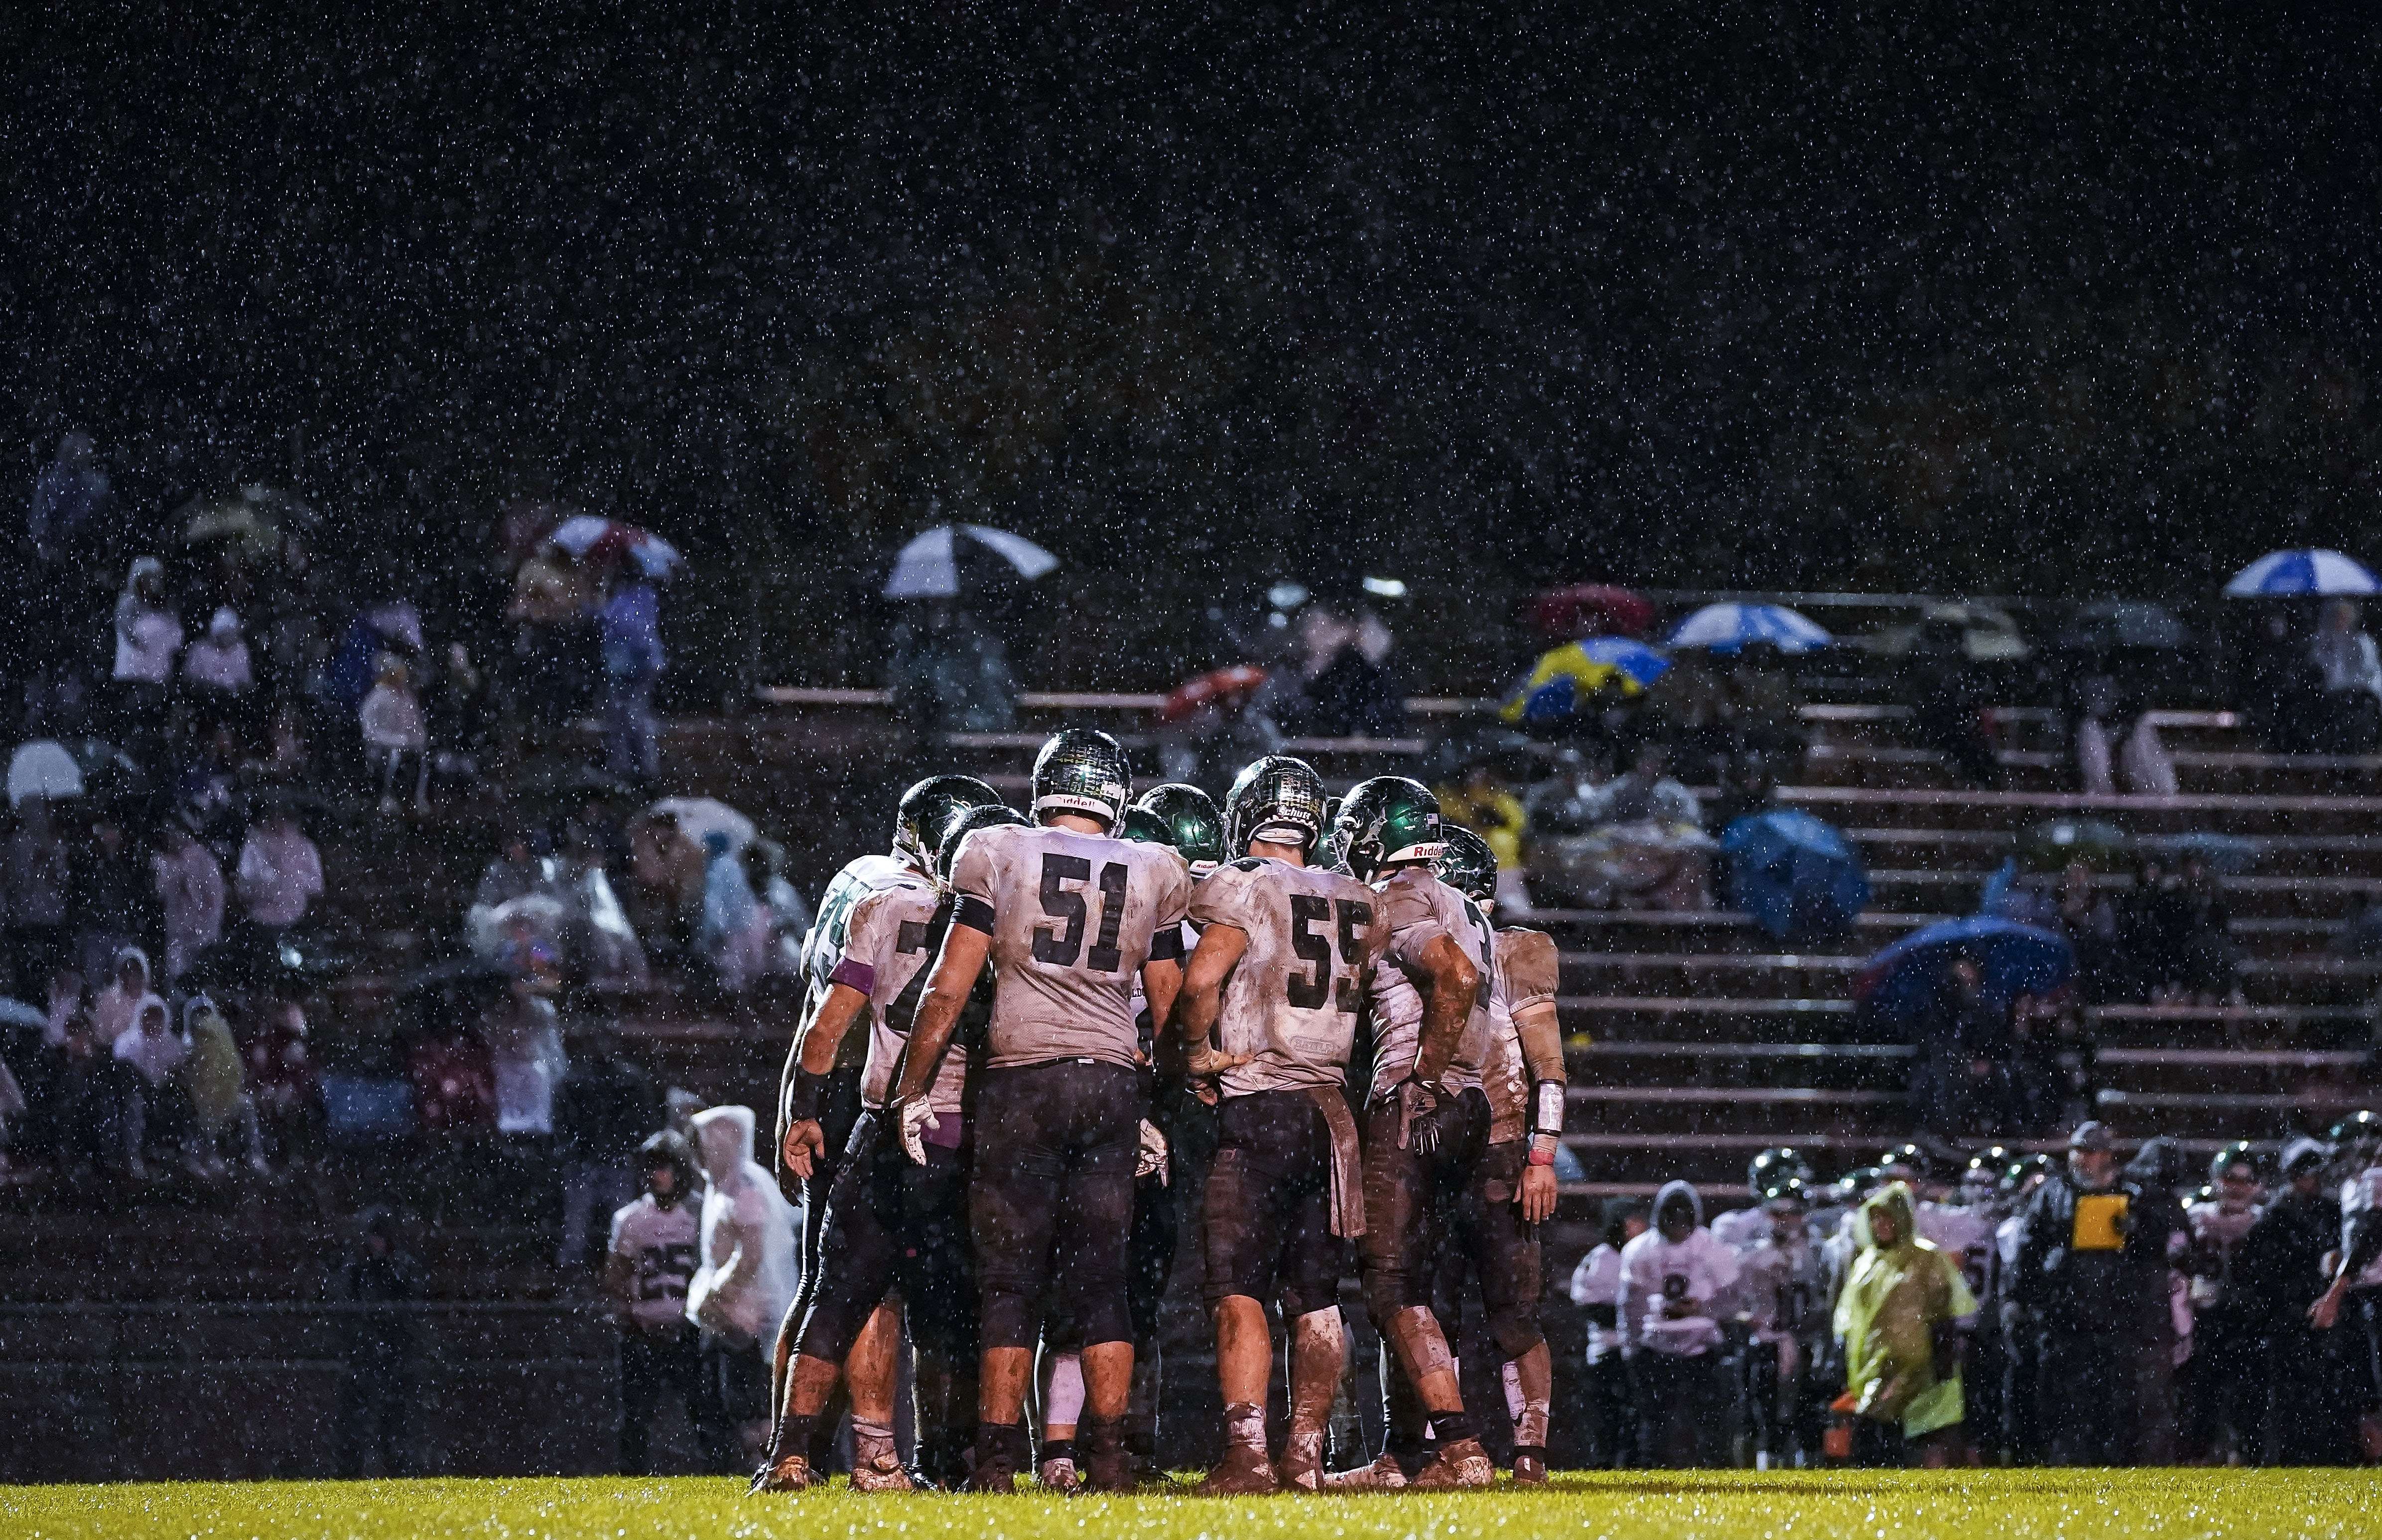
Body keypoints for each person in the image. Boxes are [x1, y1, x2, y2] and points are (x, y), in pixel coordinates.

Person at [881, 730, 1191, 1492]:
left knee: (1010, 1280)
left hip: (1022, 1078)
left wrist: (912, 1086)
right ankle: (1110, 1457)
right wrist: (1158, 1097)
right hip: (1111, 1079)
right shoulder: (1152, 866)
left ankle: (994, 1462)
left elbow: (948, 988)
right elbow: (1168, 1001)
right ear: (1115, 795)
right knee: (1102, 1281)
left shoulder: (997, 850)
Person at [761, 803, 1009, 1493]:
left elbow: (821, 1015)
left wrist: (796, 1106)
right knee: (933, 1302)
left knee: (832, 1289)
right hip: (929, 1109)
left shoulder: (865, 887)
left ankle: (795, 1452)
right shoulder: (977, 911)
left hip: (855, 1092)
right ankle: (920, 1456)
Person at [1161, 757, 1385, 1494]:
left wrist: (1195, 1055)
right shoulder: (1358, 895)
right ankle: (1306, 1456)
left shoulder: (1246, 881)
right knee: (1316, 1296)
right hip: (1331, 1113)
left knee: (1237, 1288)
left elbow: (1198, 985)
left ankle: (1248, 1455)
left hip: (1261, 1102)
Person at [1335, 776, 1504, 1490]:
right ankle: (1407, 1454)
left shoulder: (1404, 895)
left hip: (1423, 1100)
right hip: (1470, 1105)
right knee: (1421, 1286)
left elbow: (1456, 977)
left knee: (1389, 1283)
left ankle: (1459, 1447)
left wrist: (1420, 1078)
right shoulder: (1464, 901)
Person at [1429, 824, 1568, 1483]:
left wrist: (1541, 1154)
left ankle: (1530, 1451)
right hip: (1429, 1156)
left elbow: (1548, 1066)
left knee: (1512, 1317)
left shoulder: (1517, 951)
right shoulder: (1420, 947)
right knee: (1432, 1312)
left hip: (1499, 1151)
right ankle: (1447, 1450)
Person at [2009, 1120, 2187, 1466]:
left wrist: (2137, 1231)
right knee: (2066, 1411)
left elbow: (2164, 1248)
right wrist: (2026, 1300)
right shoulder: (2053, 1193)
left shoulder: (2135, 1193)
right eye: (2078, 1150)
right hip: (2066, 1321)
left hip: (2121, 1322)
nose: (2082, 1159)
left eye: (2090, 1152)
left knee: (2119, 1410)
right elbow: (2029, 1250)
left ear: (2107, 1155)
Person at [1833, 1181, 1978, 1467]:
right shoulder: (1866, 1262)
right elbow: (1850, 1315)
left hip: (1913, 1363)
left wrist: (1943, 1358)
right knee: (1878, 1430)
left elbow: (1944, 1311)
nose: (1881, 1225)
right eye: (1875, 1218)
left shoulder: (1927, 1258)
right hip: (1870, 1362)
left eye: (1887, 1218)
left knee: (1888, 1425)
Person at [688, 1104, 799, 1474]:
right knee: (729, 1398)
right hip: (730, 1315)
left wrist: (716, 1291)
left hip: (748, 1315)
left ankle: (764, 1467)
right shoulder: (723, 1186)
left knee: (749, 1400)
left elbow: (751, 1253)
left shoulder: (746, 1187)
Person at [2235, 1137, 2345, 1464]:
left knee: (2329, 1397)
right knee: (2290, 1400)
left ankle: (2327, 1457)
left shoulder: (2329, 1211)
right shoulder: (2275, 1218)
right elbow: (2262, 1279)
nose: (2317, 1180)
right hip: (2290, 1322)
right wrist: (2296, 1307)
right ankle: (2292, 1459)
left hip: (2327, 1318)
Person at [1616, 1179, 1741, 1467]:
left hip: (1702, 1348)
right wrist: (1632, 1349)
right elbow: (1631, 1306)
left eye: (1684, 1217)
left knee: (1712, 1423)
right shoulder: (1640, 1251)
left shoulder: (1713, 1249)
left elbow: (1733, 1299)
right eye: (1672, 1217)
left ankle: (1716, 1475)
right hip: (1655, 1347)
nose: (1678, 1225)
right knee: (1654, 1424)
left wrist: (1702, 1308)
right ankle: (1650, 1475)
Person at [607, 1131, 705, 1476]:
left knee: (705, 1413)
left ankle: (720, 1473)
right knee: (635, 1418)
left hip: (689, 1332)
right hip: (643, 1333)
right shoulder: (630, 1218)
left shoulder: (701, 1213)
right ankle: (630, 1480)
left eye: (665, 1167)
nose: (657, 1175)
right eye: (652, 1167)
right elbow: (616, 1276)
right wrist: (631, 1319)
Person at [555, 1022, 662, 1275]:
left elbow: (645, 1121)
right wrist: (575, 1153)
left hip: (618, 1163)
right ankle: (573, 1280)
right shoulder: (575, 1081)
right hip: (585, 1163)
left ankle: (626, 1277)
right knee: (576, 1231)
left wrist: (630, 1152)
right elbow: (564, 1122)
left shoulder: (630, 1080)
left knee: (625, 1226)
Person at [2184, 1143, 2267, 1463]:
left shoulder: (2265, 1220)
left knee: (2249, 1398)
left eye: (2246, 1180)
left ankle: (2244, 1457)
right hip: (2203, 1318)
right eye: (2231, 1178)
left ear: (2258, 1186)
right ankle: (2202, 1457)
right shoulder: (2195, 1217)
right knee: (2202, 1396)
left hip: (2250, 1321)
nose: (2237, 1187)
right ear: (2217, 1179)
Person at [336, 1208, 417, 1477]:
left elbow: (403, 1306)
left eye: (379, 1236)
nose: (375, 1243)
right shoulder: (360, 1271)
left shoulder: (396, 1270)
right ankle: (352, 1470)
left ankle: (396, 1470)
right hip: (366, 1353)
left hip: (390, 1353)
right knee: (358, 1419)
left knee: (392, 1419)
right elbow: (352, 1307)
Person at [1569, 1200, 1648, 1468]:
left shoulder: (1643, 1254)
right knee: (1607, 1415)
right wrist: (1627, 1314)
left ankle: (1635, 1465)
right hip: (1608, 1350)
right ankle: (1604, 1463)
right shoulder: (1602, 1258)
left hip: (1641, 1349)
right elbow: (1587, 1303)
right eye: (1631, 1221)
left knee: (1638, 1414)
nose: (1638, 1227)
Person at [4, 799, 74, 1001]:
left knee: (52, 978)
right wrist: (34, 865)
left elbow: (64, 882)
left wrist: (52, 864)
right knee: (26, 977)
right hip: (27, 919)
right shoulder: (18, 842)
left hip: (52, 919)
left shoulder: (57, 842)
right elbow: (16, 883)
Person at [599, 577, 665, 786]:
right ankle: (626, 766)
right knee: (621, 717)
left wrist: (607, 612)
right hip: (624, 665)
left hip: (635, 666)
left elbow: (635, 630)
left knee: (633, 716)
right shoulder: (631, 595)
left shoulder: (637, 596)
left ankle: (644, 769)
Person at [234, 806, 323, 942]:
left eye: (286, 821)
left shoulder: (306, 848)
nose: (281, 827)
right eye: (276, 820)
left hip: (297, 922)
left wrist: (294, 877)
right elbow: (243, 887)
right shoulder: (255, 847)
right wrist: (270, 888)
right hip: (260, 921)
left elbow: (317, 885)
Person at [152, 823, 224, 989]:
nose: (174, 839)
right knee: (176, 983)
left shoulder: (205, 862)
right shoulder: (165, 862)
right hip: (177, 935)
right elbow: (160, 892)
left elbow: (213, 901)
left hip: (202, 937)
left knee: (201, 983)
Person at [2307, 599, 2382, 753]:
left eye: (2344, 617)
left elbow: (2369, 672)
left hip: (2360, 697)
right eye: (2337, 617)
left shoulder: (2362, 642)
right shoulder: (2325, 642)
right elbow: (2320, 666)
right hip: (2333, 698)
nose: (2340, 621)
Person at [359, 652, 429, 814]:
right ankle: (387, 797)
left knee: (422, 758)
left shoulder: (407, 698)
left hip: (406, 748)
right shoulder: (376, 698)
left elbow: (417, 725)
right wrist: (397, 741)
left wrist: (417, 739)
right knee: (394, 757)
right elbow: (369, 732)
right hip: (381, 750)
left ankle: (418, 799)